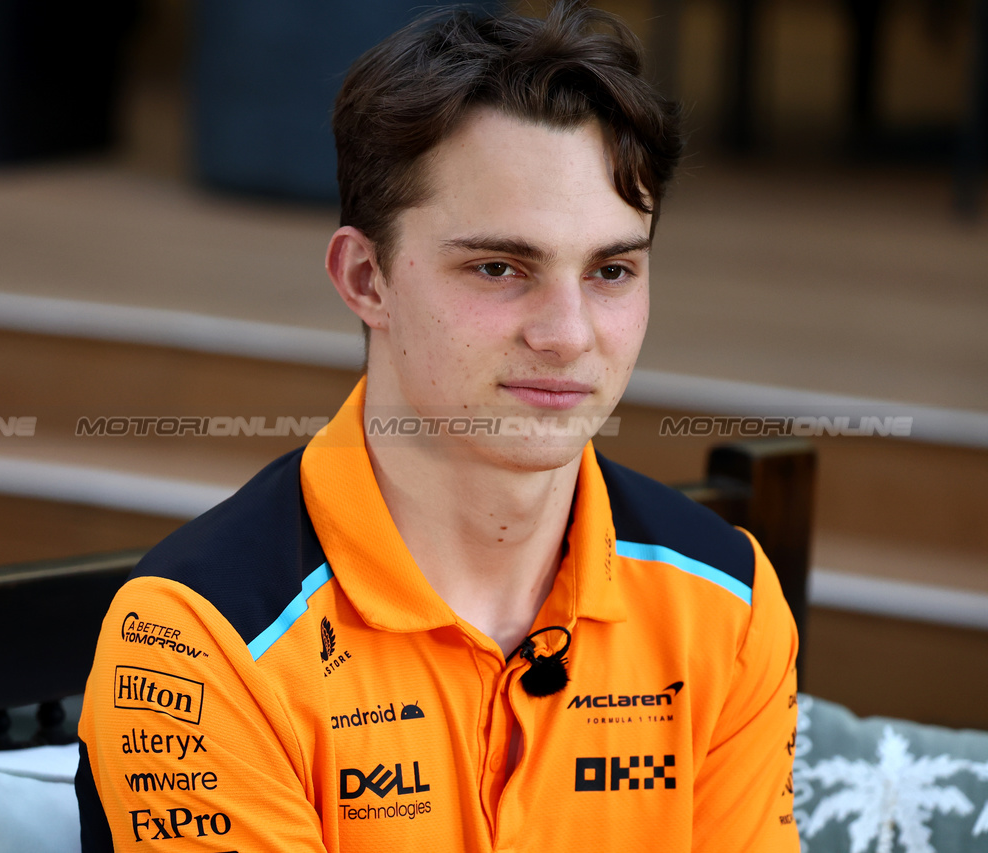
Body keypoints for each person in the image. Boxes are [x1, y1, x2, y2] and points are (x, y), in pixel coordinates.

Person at [76, 3, 800, 851]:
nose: (567, 334)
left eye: (611, 270)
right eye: (500, 267)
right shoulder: (193, 644)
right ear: (365, 277)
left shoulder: (730, 601)